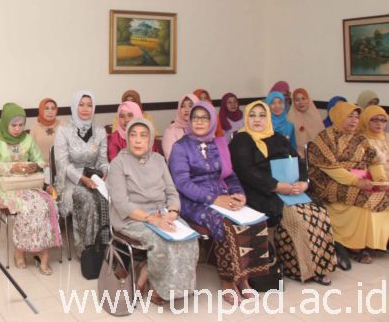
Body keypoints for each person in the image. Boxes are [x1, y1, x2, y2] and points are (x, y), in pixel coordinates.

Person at [230, 101, 337, 284]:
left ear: (268, 118)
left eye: (262, 115)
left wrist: (304, 182)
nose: (257, 119)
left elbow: (298, 161)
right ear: (246, 118)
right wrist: (277, 186)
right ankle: (303, 268)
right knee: (298, 217)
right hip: (261, 192)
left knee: (318, 213)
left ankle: (320, 265)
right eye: (252, 115)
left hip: (291, 189)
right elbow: (246, 171)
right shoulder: (241, 140)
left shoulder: (277, 137)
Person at [170, 102, 268, 303]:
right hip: (192, 201)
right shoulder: (180, 147)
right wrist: (214, 199)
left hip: (222, 196)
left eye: (204, 118)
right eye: (195, 118)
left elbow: (230, 176)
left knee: (254, 220)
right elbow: (182, 183)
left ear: (212, 122)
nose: (199, 122)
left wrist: (239, 194)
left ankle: (245, 278)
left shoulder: (218, 144)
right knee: (225, 224)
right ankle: (228, 281)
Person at [108, 118, 198, 304]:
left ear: (150, 139)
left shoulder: (158, 160)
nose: (138, 140)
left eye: (143, 135)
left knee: (189, 238)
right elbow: (121, 203)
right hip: (131, 217)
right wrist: (151, 219)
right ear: (127, 138)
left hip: (160, 212)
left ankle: (169, 284)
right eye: (133, 135)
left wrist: (173, 212)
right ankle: (154, 286)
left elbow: (172, 192)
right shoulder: (118, 163)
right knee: (162, 241)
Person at [308, 101, 389, 264]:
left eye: (357, 117)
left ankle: (378, 242)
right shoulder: (324, 138)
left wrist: (381, 180)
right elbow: (331, 168)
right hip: (328, 182)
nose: (354, 120)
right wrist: (356, 181)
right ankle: (354, 246)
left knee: (384, 194)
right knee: (362, 197)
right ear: (338, 116)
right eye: (349, 116)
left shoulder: (360, 138)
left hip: (358, 179)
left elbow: (374, 161)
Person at [0, 103, 61, 275]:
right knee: (26, 208)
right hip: (5, 188)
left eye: (21, 125)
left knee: (45, 205)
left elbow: (39, 159)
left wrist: (38, 165)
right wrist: (11, 168)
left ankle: (41, 250)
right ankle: (20, 250)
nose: (18, 129)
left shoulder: (27, 139)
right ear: (5, 123)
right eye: (13, 125)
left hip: (28, 184)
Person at [54, 91, 109, 257]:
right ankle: (87, 250)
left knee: (112, 197)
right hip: (70, 179)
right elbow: (62, 163)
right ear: (74, 106)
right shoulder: (63, 131)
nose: (86, 109)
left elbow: (103, 160)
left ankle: (107, 246)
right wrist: (82, 179)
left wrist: (105, 173)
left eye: (89, 105)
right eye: (81, 105)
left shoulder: (100, 131)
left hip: (94, 177)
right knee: (89, 200)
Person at [287, 88, 325, 159]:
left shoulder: (316, 117)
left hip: (317, 158)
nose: (301, 102)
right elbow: (288, 144)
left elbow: (323, 141)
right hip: (296, 158)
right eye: (297, 100)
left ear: (308, 100)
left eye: (303, 98)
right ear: (293, 102)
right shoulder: (290, 120)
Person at [162, 93, 199, 161]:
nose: (186, 109)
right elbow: (172, 159)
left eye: (190, 106)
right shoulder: (171, 131)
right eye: (183, 106)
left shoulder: (203, 129)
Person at [30, 98, 60, 165]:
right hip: (41, 166)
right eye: (46, 108)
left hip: (60, 166)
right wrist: (41, 164)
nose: (50, 112)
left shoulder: (63, 126)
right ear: (41, 110)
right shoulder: (34, 128)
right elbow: (31, 152)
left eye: (53, 108)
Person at [360, 105, 389, 176]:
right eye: (375, 119)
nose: (379, 123)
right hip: (374, 178)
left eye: (383, 120)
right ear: (366, 119)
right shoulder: (360, 140)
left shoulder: (387, 137)